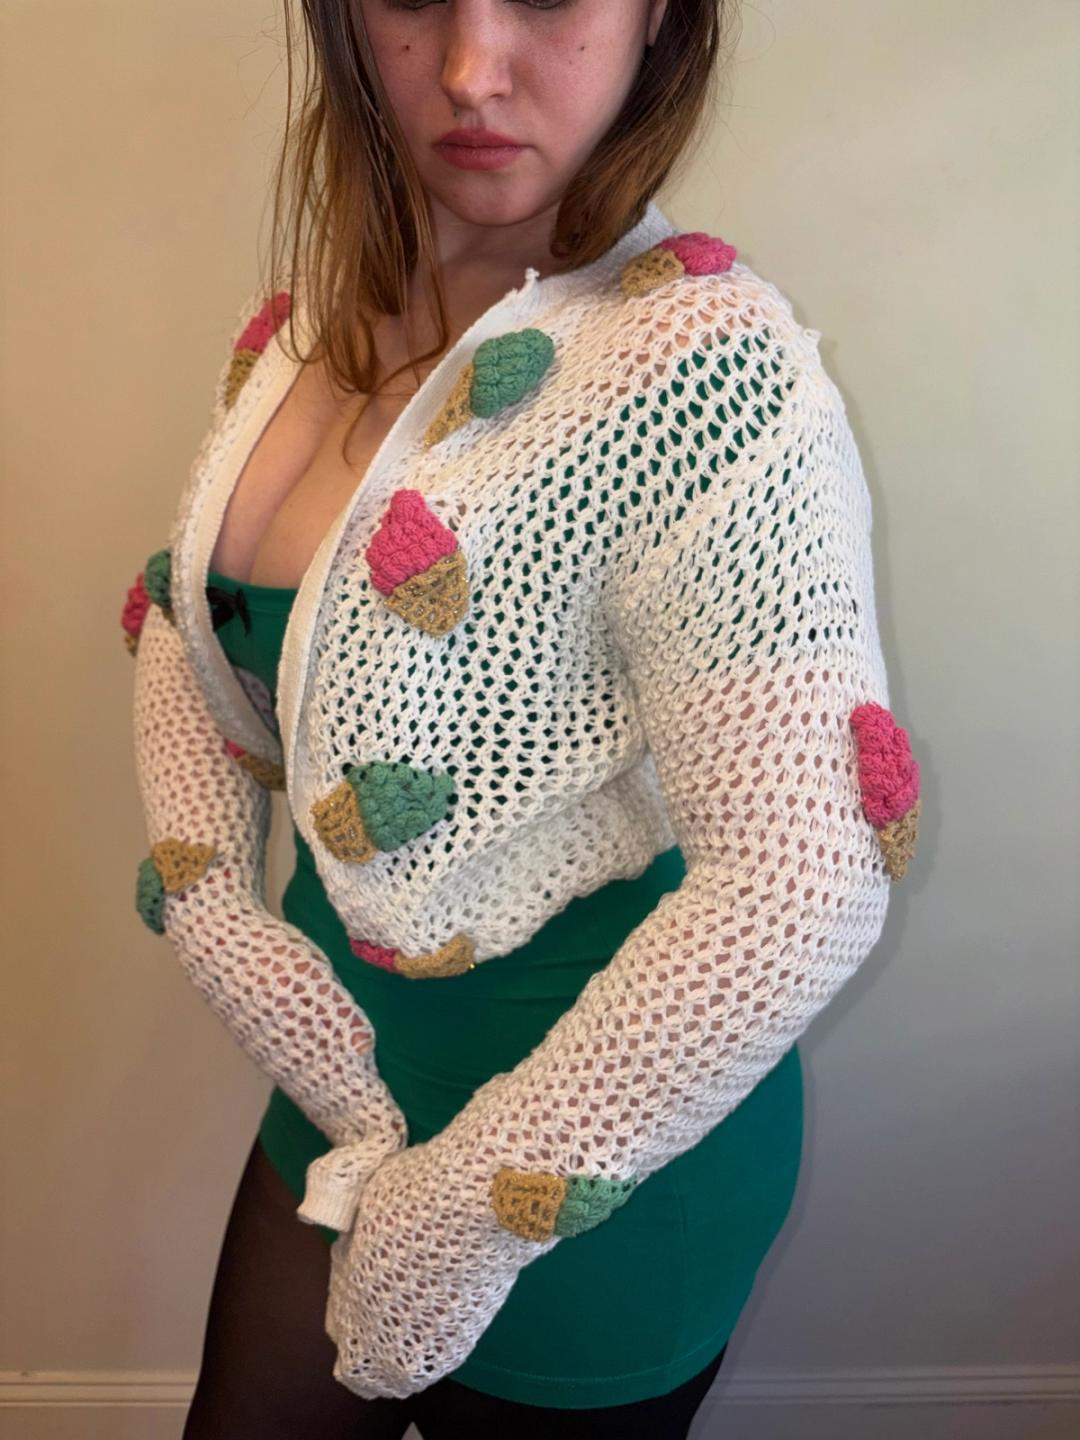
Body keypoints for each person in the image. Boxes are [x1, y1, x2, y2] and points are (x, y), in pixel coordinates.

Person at [125, 1, 922, 1435]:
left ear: (658, 16)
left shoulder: (703, 370)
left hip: (600, 1171)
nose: (472, 68)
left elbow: (808, 880)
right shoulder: (311, 324)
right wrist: (208, 900)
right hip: (340, 1094)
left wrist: (461, 1213)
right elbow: (196, 618)